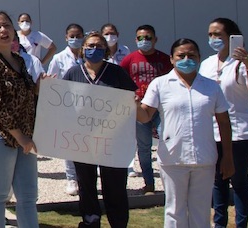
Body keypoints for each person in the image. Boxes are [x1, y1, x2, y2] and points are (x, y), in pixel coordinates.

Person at [139, 38, 234, 228]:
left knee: (201, 211)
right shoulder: (160, 84)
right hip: (173, 158)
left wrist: (228, 156)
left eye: (191, 55)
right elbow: (144, 116)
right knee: (175, 211)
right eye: (181, 56)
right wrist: (133, 103)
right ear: (172, 59)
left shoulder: (211, 87)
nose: (186, 59)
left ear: (199, 58)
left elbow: (224, 122)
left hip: (204, 159)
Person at [62, 31, 136, 228]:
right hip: (82, 139)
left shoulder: (116, 72)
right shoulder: (73, 73)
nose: (94, 50)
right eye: (90, 46)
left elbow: (131, 98)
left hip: (112, 139)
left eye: (99, 46)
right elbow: (61, 104)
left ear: (106, 50)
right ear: (82, 49)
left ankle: (118, 223)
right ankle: (90, 221)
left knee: (115, 186)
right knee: (86, 185)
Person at [0, 11, 40, 228]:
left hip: (25, 137)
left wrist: (44, 87)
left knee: (28, 196)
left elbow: (30, 93)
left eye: (7, 26)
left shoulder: (20, 61)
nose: (3, 30)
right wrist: (21, 137)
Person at [201, 18, 248, 228]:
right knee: (218, 181)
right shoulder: (207, 63)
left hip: (241, 131)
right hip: (213, 132)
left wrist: (247, 64)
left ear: (232, 37)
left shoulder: (246, 61)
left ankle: (241, 223)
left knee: (238, 180)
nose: (214, 39)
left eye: (218, 35)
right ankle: (219, 223)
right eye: (210, 35)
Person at [120, 24, 171, 193]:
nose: (144, 41)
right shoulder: (130, 59)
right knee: (144, 147)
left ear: (155, 39)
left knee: (167, 141)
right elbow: (120, 79)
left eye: (148, 38)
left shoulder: (164, 59)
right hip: (140, 108)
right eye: (140, 38)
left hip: (161, 108)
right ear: (135, 40)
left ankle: (169, 182)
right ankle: (149, 183)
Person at [46, 23, 85, 196]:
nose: (75, 39)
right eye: (72, 36)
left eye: (78, 36)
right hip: (68, 106)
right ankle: (71, 178)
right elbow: (51, 82)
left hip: (88, 106)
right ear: (66, 37)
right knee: (70, 143)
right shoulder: (59, 58)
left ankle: (86, 178)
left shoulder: (88, 56)